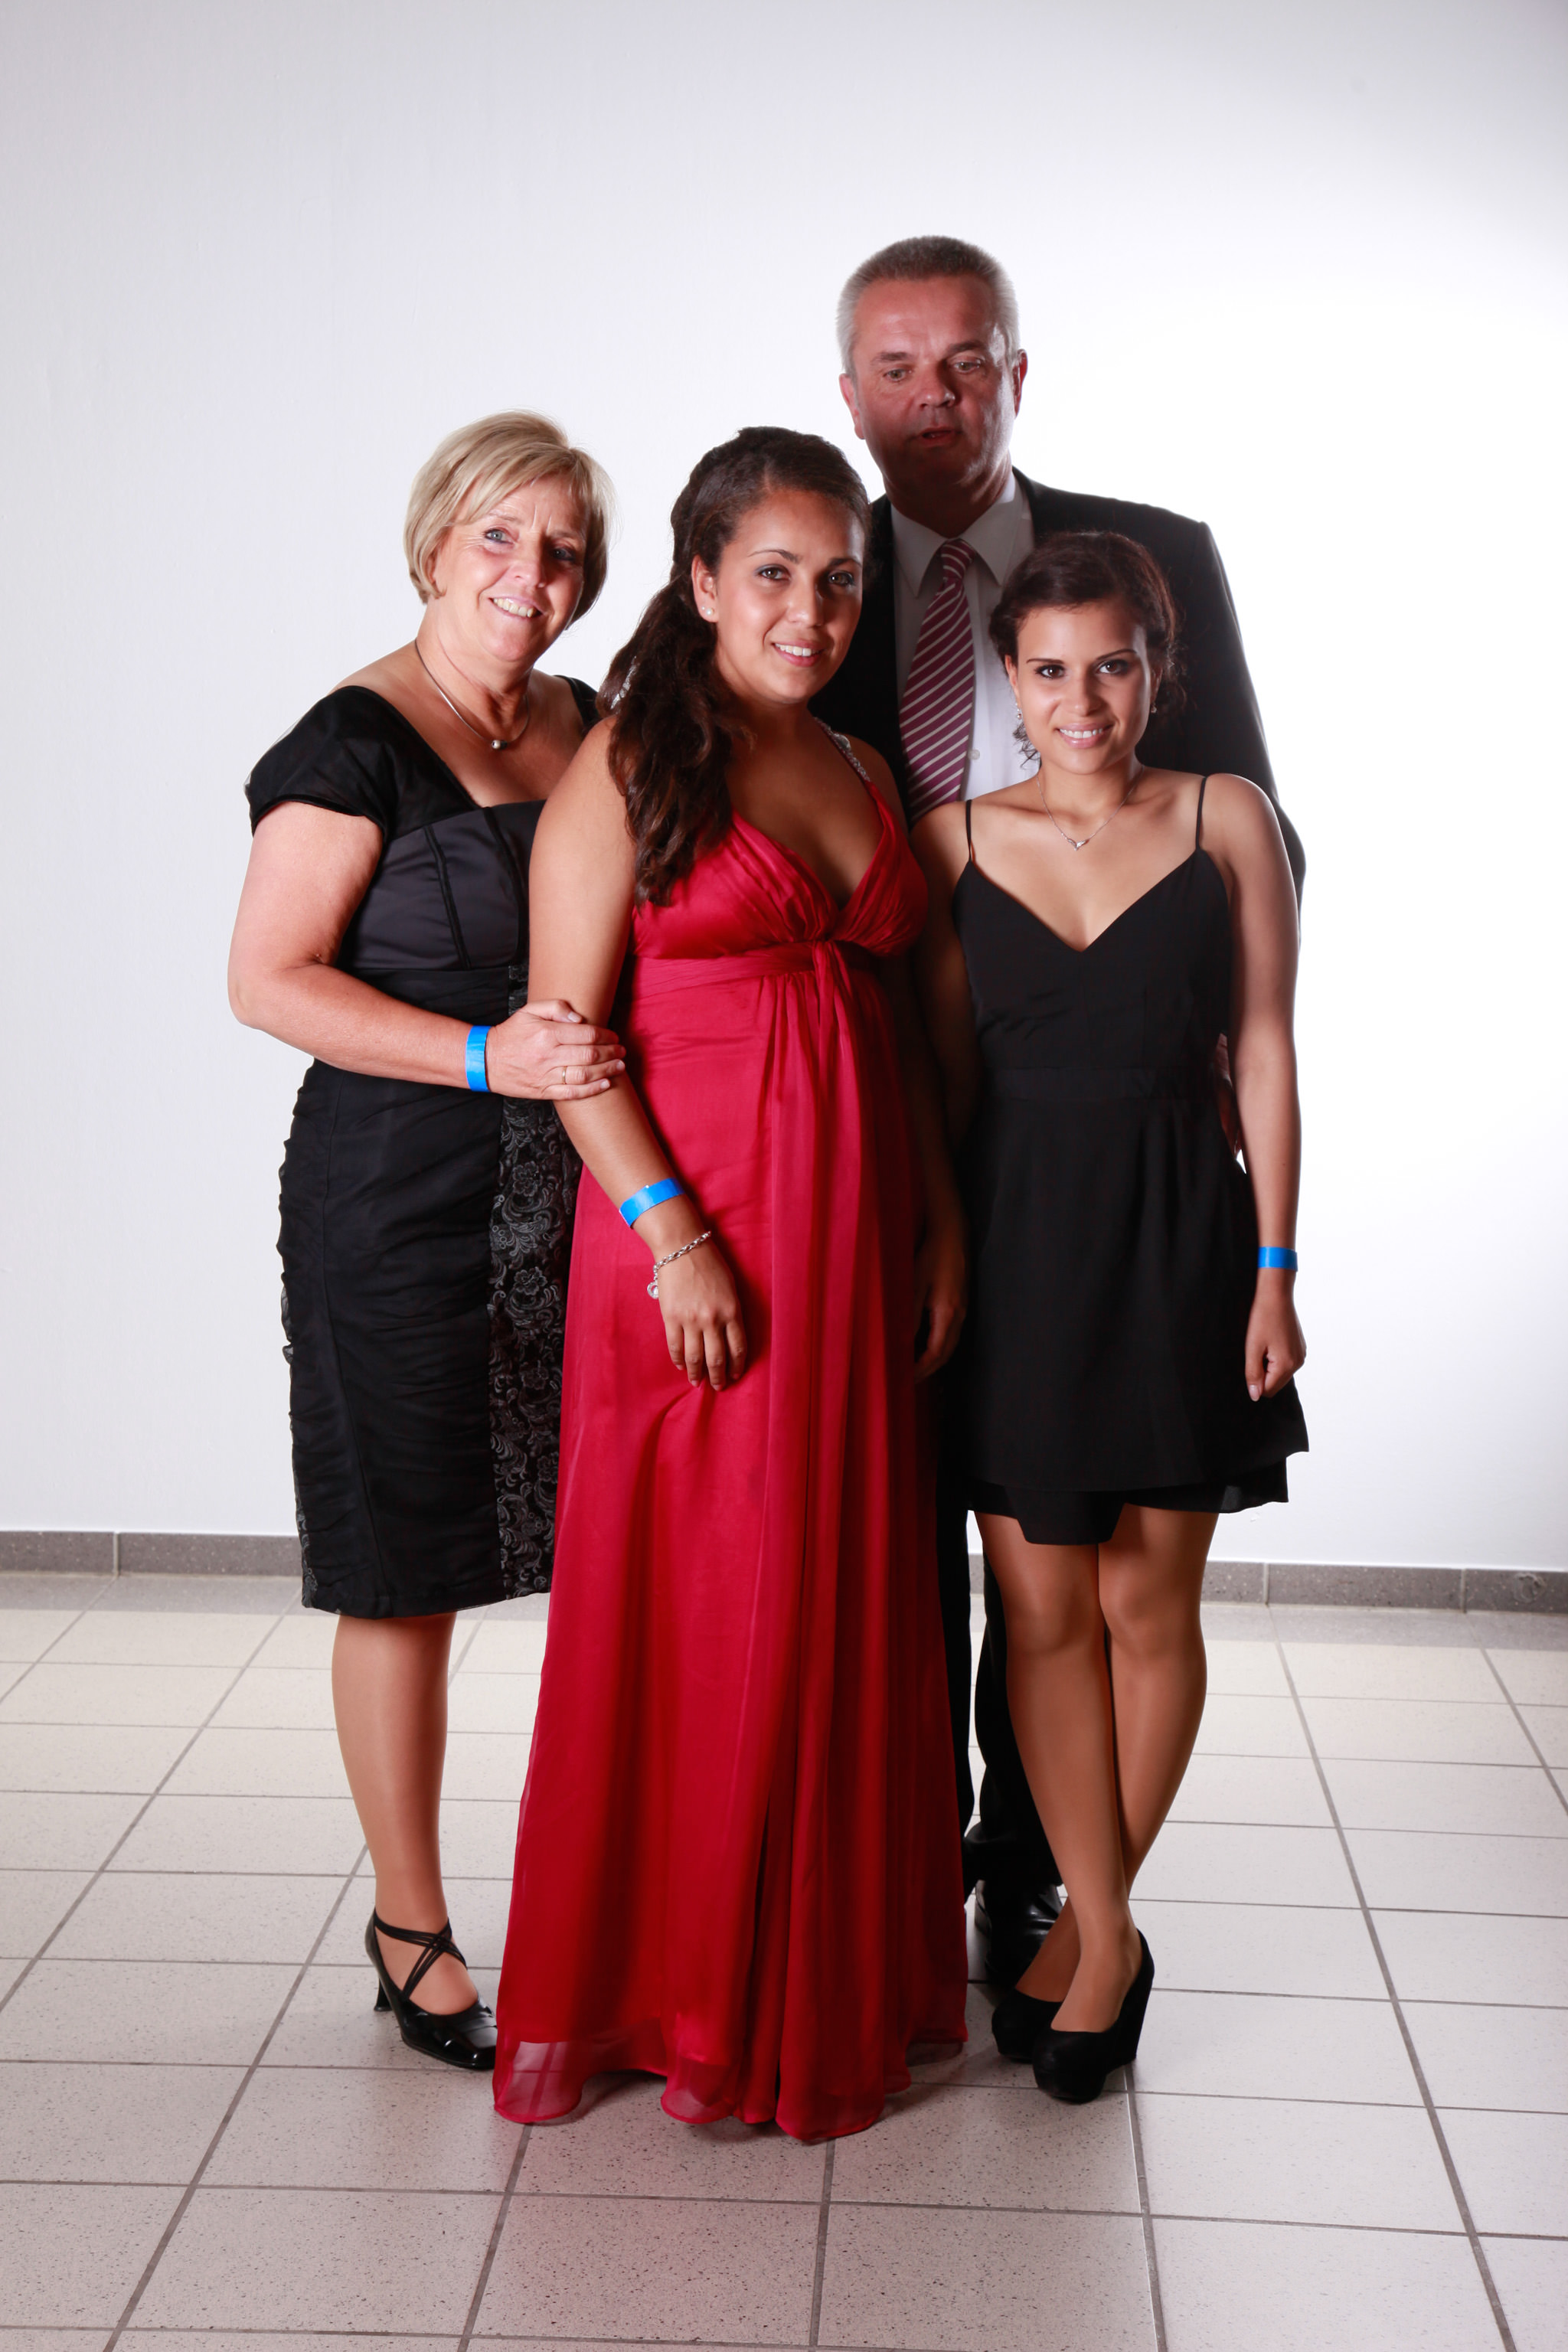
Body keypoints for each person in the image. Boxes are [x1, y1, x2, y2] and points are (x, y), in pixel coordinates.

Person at [812, 232, 1305, 1989]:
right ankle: (900, 1869)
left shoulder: (1151, 556)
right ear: (849, 393)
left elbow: (1251, 810)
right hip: (878, 1117)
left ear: (1017, 373)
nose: (933, 396)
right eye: (895, 367)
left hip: (1126, 1124)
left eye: (966, 361)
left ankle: (1045, 1893)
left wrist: (1168, 1016)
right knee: (926, 1535)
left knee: (1108, 1574)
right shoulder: (807, 571)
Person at [492, 426, 969, 2141]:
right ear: (699, 581)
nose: (809, 611)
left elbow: (903, 1024)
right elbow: (566, 1043)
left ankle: (814, 1976)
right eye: (772, 573)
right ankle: (686, 1990)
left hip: (856, 1237)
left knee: (839, 1594)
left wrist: (941, 1225)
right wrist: (672, 1237)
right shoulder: (627, 764)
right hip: (699, 1251)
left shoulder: (857, 760)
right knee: (707, 1610)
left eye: (838, 579)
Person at [228, 413, 621, 2070]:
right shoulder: (351, 739)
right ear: (433, 542)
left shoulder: (591, 722)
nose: (532, 576)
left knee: (609, 1555)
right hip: (395, 1200)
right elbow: (266, 981)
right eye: (499, 538)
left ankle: (619, 1906)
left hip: (579, 1198)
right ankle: (411, 1927)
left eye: (564, 550)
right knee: (406, 1577)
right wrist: (478, 1056)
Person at [912, 528, 1308, 2101]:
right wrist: (941, 1260)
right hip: (1018, 1255)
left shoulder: (1227, 817)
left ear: (1159, 670)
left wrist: (1275, 1267)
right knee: (1042, 1616)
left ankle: (1093, 1929)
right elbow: (943, 1088)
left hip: (1181, 1245)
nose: (1082, 702)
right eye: (1049, 671)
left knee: (1149, 1610)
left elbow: (1265, 1047)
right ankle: (1109, 1929)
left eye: (1114, 668)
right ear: (1009, 681)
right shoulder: (948, 839)